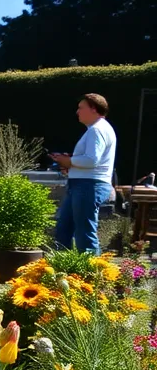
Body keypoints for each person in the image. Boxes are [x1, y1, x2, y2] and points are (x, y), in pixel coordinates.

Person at [50, 93, 117, 254]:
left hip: (89, 185)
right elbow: (90, 160)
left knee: (84, 233)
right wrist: (71, 162)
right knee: (64, 228)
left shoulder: (97, 130)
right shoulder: (97, 129)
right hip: (82, 184)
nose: (77, 112)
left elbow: (92, 160)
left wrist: (69, 162)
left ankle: (92, 274)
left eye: (81, 108)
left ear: (93, 109)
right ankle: (62, 271)